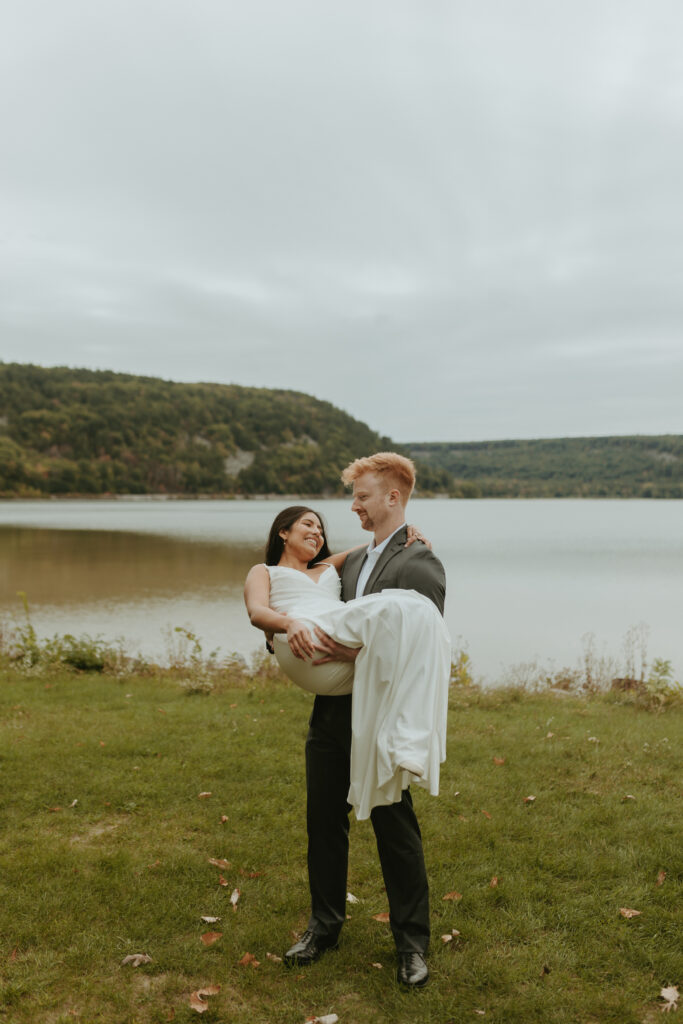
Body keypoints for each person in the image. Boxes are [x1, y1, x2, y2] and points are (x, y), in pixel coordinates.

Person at [243, 453, 448, 988]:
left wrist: (360, 655)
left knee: (393, 824)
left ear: (392, 498)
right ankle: (324, 927)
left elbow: (420, 643)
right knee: (323, 823)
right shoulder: (348, 564)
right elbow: (302, 609)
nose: (353, 506)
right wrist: (282, 639)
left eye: (361, 497)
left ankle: (411, 944)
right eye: (353, 497)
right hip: (331, 713)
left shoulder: (418, 562)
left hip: (382, 714)